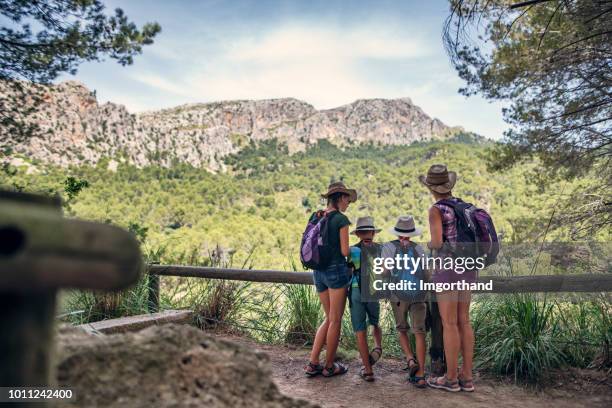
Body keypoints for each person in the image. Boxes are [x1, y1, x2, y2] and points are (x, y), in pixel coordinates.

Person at [420, 164, 475, 393]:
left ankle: (451, 379)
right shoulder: (465, 207)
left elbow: (438, 242)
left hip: (448, 267)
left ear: (432, 188)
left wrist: (428, 244)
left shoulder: (437, 209)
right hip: (469, 266)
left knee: (449, 323)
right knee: (464, 321)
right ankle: (467, 377)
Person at [304, 181, 356, 378]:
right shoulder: (341, 220)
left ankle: (313, 362)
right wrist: (357, 251)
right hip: (335, 271)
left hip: (318, 271)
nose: (348, 203)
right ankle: (329, 366)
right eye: (347, 199)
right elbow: (344, 251)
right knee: (335, 320)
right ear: (341, 198)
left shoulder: (316, 216)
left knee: (329, 318)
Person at [384, 215, 428, 388]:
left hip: (398, 296)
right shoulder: (419, 249)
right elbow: (426, 274)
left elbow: (384, 273)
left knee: (402, 329)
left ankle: (410, 359)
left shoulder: (388, 247)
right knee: (419, 333)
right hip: (419, 296)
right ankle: (421, 374)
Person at [347, 216, 383, 382]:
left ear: (358, 235)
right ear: (374, 233)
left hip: (355, 291)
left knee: (360, 329)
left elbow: (347, 273)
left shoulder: (351, 250)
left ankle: (368, 370)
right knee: (375, 323)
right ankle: (378, 348)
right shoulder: (381, 249)